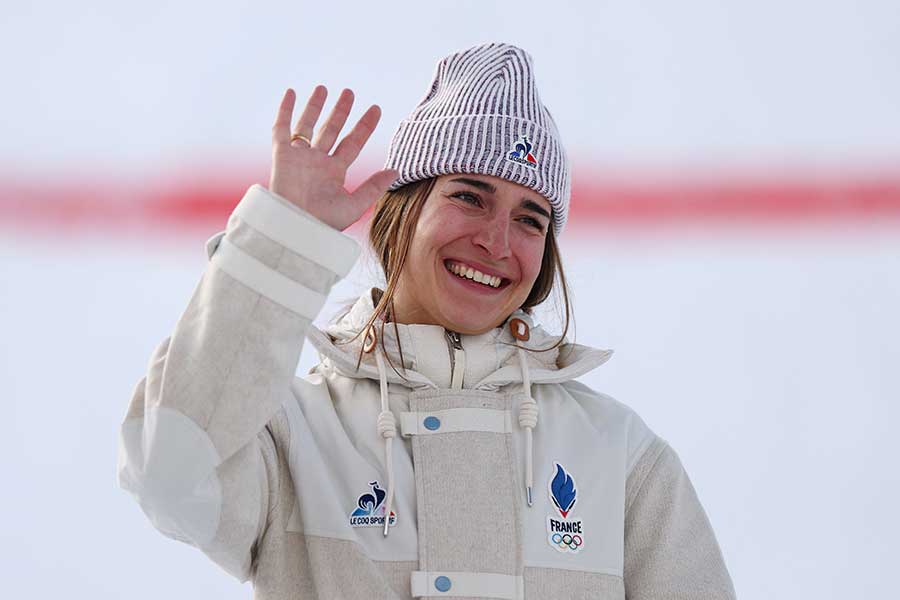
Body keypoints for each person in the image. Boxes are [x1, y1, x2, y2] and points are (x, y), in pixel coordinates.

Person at [117, 42, 736, 599]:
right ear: (401, 214)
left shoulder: (619, 456)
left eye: (530, 218)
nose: (496, 241)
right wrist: (280, 242)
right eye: (469, 196)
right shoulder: (293, 435)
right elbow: (169, 473)